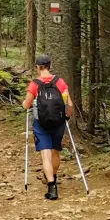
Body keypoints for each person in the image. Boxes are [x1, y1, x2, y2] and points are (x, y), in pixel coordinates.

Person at [23, 54, 74, 200]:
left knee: (45, 155)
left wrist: (24, 104)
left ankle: (52, 187)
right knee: (55, 152)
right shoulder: (60, 82)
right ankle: (53, 175)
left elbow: (27, 104)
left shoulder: (35, 84)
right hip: (58, 122)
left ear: (38, 67)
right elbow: (69, 104)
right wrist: (67, 116)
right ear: (49, 66)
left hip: (41, 124)